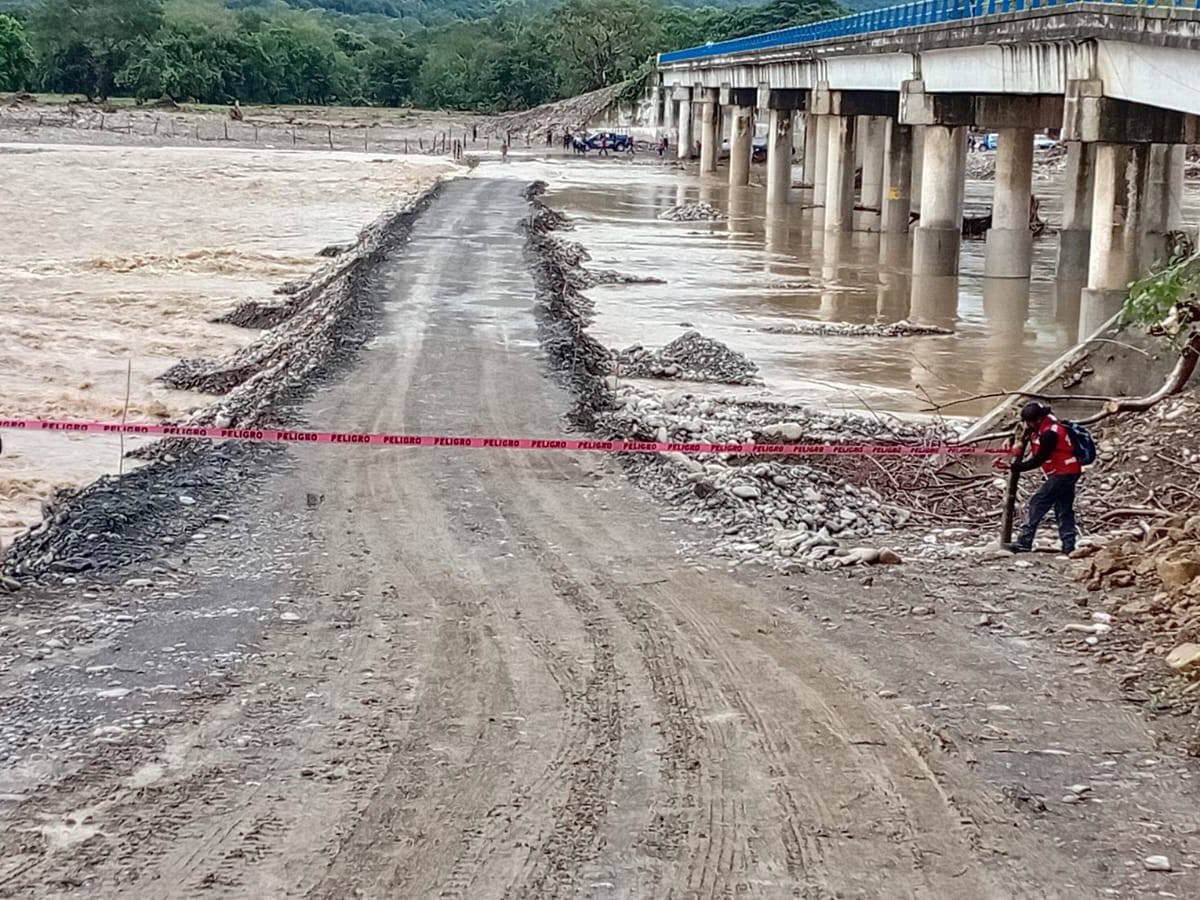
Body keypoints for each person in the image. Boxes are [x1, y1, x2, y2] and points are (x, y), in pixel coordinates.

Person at [996, 401, 1082, 554]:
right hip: (1068, 470)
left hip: (1063, 472)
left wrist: (1012, 466)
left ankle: (1024, 542)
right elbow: (1023, 429)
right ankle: (1069, 546)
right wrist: (1011, 439)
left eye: (1029, 422)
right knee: (1063, 508)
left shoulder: (1049, 434)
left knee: (1037, 502)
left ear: (1037, 420)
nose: (1027, 425)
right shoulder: (1046, 423)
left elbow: (1038, 460)